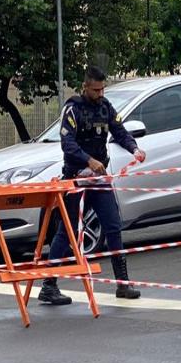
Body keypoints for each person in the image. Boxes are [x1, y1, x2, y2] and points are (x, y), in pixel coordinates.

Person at [39, 66, 147, 306]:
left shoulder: (105, 107)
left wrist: (135, 149)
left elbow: (119, 131)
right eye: (96, 89)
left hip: (99, 179)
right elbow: (67, 144)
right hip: (76, 177)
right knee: (67, 231)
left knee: (113, 225)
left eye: (102, 89)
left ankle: (123, 284)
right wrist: (88, 160)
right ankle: (49, 286)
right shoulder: (73, 109)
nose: (100, 93)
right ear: (85, 86)